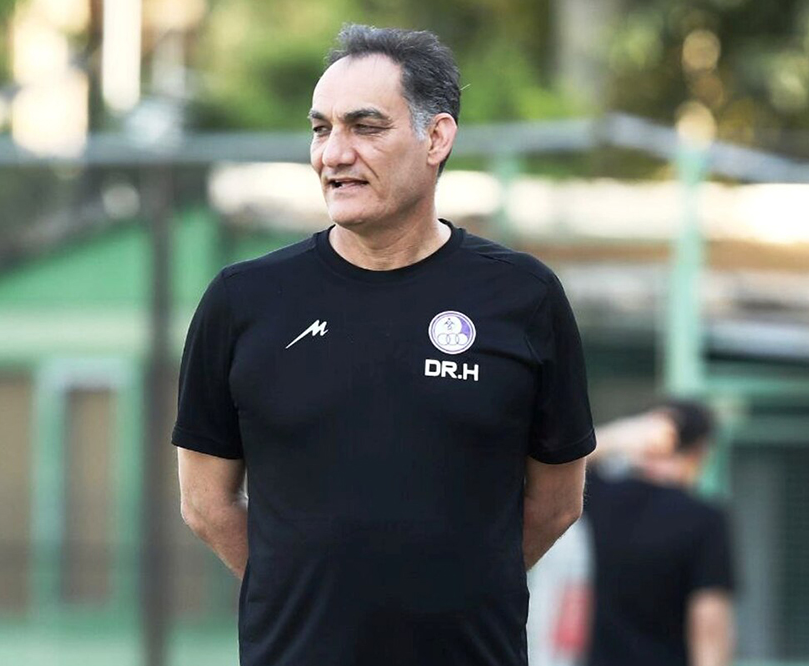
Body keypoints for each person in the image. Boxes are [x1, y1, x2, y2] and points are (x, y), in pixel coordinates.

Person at [173, 24, 596, 666]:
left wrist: (457, 588)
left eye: (364, 127)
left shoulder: (524, 297)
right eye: (321, 129)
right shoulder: (243, 301)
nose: (334, 154)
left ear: (437, 138)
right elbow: (205, 503)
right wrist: (304, 594)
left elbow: (559, 502)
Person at [583, 400, 735, 666]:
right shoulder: (704, 520)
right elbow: (709, 623)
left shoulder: (602, 498)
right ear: (700, 451)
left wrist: (625, 434)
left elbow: (568, 460)